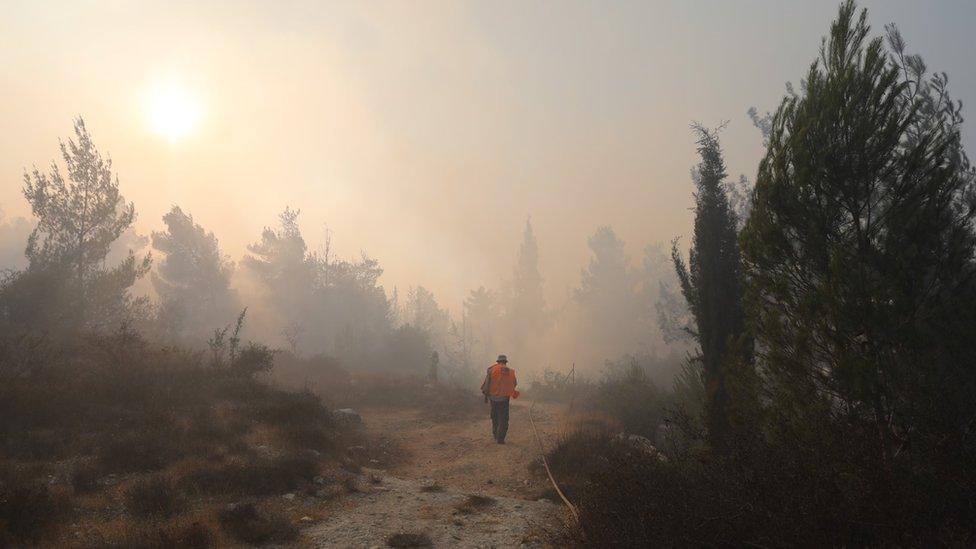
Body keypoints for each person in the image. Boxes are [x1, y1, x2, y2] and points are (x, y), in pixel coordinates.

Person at [480, 354, 520, 444]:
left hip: (493, 398)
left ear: (497, 362)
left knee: (494, 416)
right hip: (504, 399)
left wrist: (487, 394)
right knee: (504, 418)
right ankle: (500, 439)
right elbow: (515, 383)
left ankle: (495, 434)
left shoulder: (492, 370)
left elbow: (487, 384)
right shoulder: (511, 372)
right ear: (505, 362)